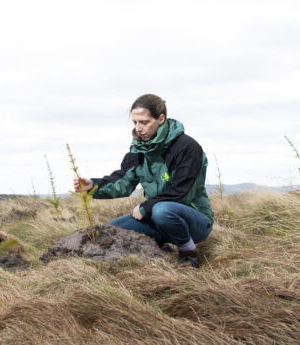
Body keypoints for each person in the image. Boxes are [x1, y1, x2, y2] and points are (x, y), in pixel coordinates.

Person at [73, 94, 213, 268]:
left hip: (194, 220)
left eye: (144, 122)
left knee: (163, 210)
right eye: (135, 123)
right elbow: (123, 181)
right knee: (112, 229)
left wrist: (146, 207)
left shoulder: (187, 148)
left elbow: (182, 192)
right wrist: (93, 186)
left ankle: (188, 253)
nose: (138, 128)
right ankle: (161, 248)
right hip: (157, 217)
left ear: (161, 119)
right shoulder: (139, 149)